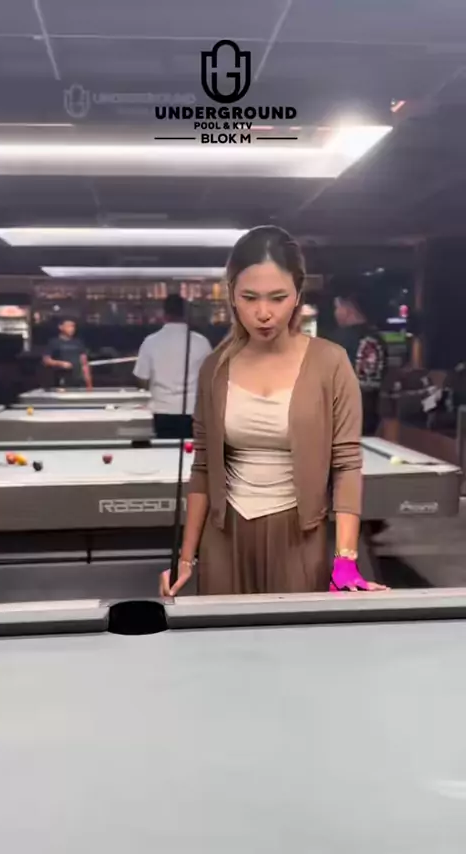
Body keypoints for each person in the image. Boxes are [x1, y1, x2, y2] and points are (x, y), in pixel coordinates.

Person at [160, 226, 387, 598]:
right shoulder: (214, 367)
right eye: (249, 297)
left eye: (278, 297)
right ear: (232, 294)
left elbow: (346, 464)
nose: (263, 313)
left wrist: (345, 561)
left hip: (300, 538)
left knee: (297, 636)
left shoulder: (330, 362)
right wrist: (185, 559)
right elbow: (203, 466)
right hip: (224, 537)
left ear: (297, 294)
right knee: (224, 636)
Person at [134, 294, 212, 437]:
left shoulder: (150, 342)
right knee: (194, 450)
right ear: (185, 314)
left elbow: (142, 378)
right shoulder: (202, 342)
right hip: (193, 411)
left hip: (162, 411)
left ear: (164, 314)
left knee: (166, 450)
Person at [331, 277, 386, 436]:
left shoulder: (338, 341)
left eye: (337, 307)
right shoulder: (378, 340)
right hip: (368, 423)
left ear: (347, 308)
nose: (336, 313)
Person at [42, 317, 92, 389]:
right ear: (61, 327)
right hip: (61, 379)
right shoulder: (53, 342)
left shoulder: (78, 342)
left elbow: (84, 363)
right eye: (69, 326)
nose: (72, 329)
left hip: (78, 380)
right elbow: (46, 360)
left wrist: (89, 383)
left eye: (73, 326)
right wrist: (61, 364)